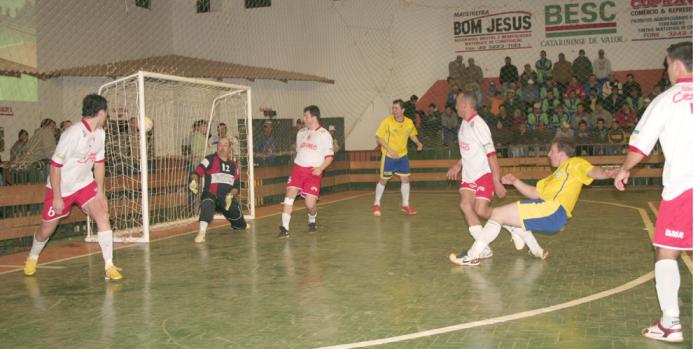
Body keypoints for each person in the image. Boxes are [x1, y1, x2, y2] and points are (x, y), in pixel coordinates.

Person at [614, 42, 692, 343]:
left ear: (675, 65)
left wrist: (624, 170)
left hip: (685, 187)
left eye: (666, 64)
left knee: (666, 251)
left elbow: (641, 144)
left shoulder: (666, 100)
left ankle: (671, 323)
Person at [449, 137, 616, 266]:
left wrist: (608, 172)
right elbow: (535, 193)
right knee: (503, 215)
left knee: (498, 215)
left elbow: (593, 171)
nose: (549, 155)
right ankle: (534, 248)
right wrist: (515, 181)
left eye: (552, 151)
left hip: (553, 211)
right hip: (547, 210)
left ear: (562, 153)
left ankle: (471, 256)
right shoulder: (554, 177)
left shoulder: (574, 163)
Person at [23, 94, 123, 280]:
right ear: (101, 113)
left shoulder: (100, 134)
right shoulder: (72, 134)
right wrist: (57, 197)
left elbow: (99, 162)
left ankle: (109, 265)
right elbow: (54, 167)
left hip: (85, 184)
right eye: (106, 113)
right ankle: (32, 257)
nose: (106, 117)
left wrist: (100, 192)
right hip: (62, 188)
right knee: (46, 231)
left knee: (102, 215)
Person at [446, 92, 519, 259]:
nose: (455, 106)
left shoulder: (479, 125)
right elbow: (468, 151)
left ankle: (510, 224)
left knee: (481, 210)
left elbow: (491, 155)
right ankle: (483, 248)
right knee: (465, 206)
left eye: (457, 103)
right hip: (468, 175)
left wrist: (497, 181)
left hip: (483, 174)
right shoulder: (464, 123)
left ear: (465, 105)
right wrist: (458, 165)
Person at [278, 105, 334, 238]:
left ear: (313, 118)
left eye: (306, 116)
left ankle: (312, 219)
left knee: (310, 204)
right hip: (298, 168)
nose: (304, 119)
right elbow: (300, 151)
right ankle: (284, 229)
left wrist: (320, 168)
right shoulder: (301, 133)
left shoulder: (324, 134)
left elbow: (329, 157)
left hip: (313, 171)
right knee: (289, 195)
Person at [190, 137, 247, 243]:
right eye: (220, 145)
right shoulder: (209, 159)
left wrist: (231, 195)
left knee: (241, 226)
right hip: (211, 195)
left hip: (226, 200)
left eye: (225, 145)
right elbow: (197, 172)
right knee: (207, 201)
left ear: (230, 148)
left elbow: (236, 186)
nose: (222, 147)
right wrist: (194, 181)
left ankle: (238, 223)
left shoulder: (234, 166)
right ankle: (202, 233)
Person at [372, 99, 423, 216]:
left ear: (403, 110)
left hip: (402, 156)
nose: (393, 110)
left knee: (405, 179)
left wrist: (418, 143)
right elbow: (379, 137)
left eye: (396, 108)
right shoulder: (387, 121)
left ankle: (405, 205)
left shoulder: (409, 122)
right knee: (384, 180)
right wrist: (390, 150)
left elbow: (412, 134)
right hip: (389, 156)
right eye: (393, 108)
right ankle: (376, 204)